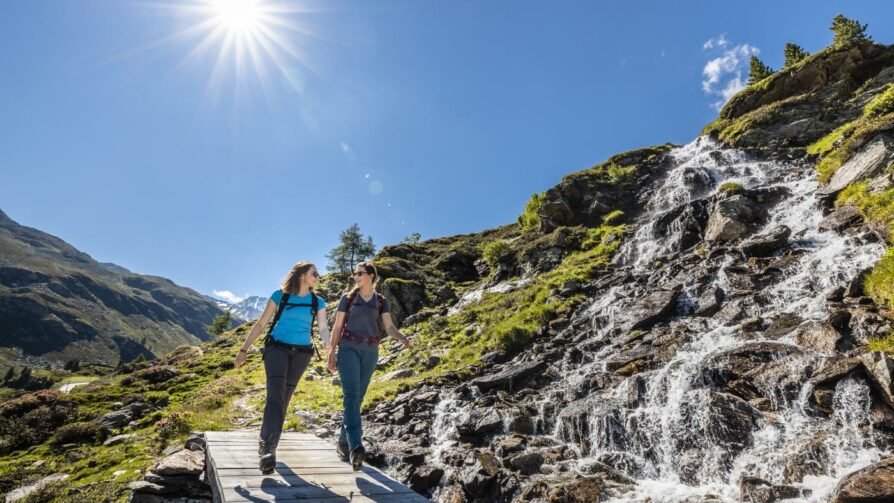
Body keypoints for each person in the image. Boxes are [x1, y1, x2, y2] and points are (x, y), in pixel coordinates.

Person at [234, 261, 331, 474]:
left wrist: (328, 345)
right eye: (314, 273)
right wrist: (243, 350)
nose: (318, 276)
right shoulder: (280, 296)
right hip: (277, 348)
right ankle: (267, 448)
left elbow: (323, 328)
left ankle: (269, 448)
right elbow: (261, 325)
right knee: (275, 395)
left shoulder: (318, 301)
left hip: (303, 353)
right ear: (302, 275)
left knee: (284, 398)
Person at [327, 261, 412, 471]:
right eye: (355, 273)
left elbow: (389, 327)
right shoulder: (347, 299)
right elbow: (337, 328)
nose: (356, 276)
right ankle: (356, 446)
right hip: (348, 349)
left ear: (371, 276)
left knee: (358, 398)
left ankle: (343, 442)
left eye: (360, 273)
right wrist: (331, 354)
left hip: (370, 352)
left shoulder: (380, 301)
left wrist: (402, 338)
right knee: (351, 395)